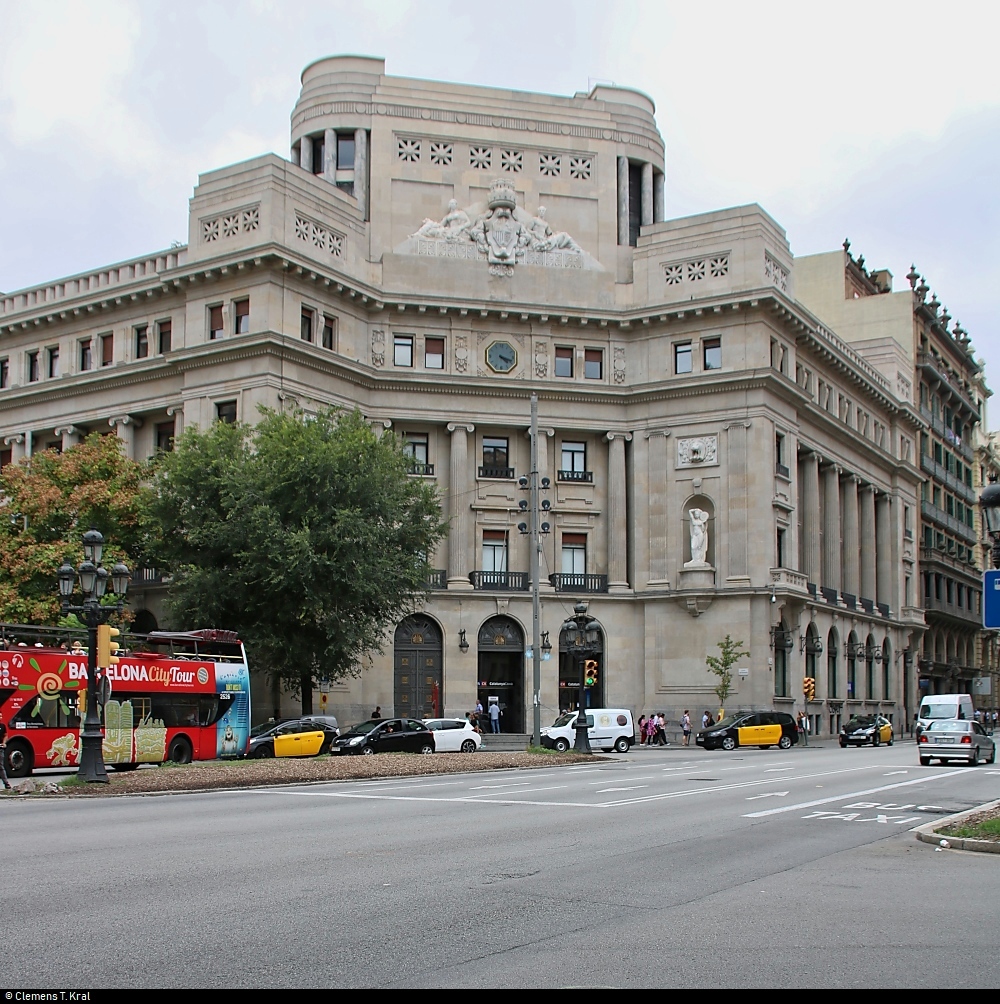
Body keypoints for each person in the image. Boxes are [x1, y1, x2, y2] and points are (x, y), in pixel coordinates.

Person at [0, 718, 11, 790]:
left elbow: (5, 735)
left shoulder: (2, 726)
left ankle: (6, 783)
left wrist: (4, 743)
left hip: (0, 748)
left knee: (0, 766)